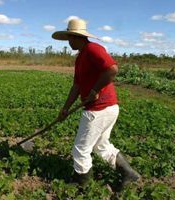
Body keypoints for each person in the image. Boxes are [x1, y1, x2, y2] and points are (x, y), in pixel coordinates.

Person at [52, 19, 141, 187]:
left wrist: (95, 90)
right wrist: (65, 108)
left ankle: (82, 184)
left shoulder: (93, 49)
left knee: (80, 149)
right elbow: (76, 86)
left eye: (69, 39)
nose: (68, 42)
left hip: (99, 109)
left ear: (76, 37)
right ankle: (129, 173)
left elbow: (112, 69)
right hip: (106, 108)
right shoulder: (80, 57)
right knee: (101, 146)